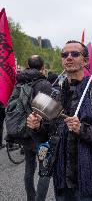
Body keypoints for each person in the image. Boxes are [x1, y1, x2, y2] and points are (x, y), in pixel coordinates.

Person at [27, 41, 92, 201]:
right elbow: (46, 135)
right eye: (65, 54)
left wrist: (82, 129)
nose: (69, 57)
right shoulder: (54, 94)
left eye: (75, 54)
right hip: (61, 178)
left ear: (85, 61)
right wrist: (37, 127)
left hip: (88, 179)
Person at [16, 55, 52, 201]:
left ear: (28, 65)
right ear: (42, 67)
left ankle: (31, 198)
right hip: (41, 136)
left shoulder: (19, 82)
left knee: (29, 169)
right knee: (44, 172)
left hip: (24, 133)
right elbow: (49, 113)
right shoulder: (44, 84)